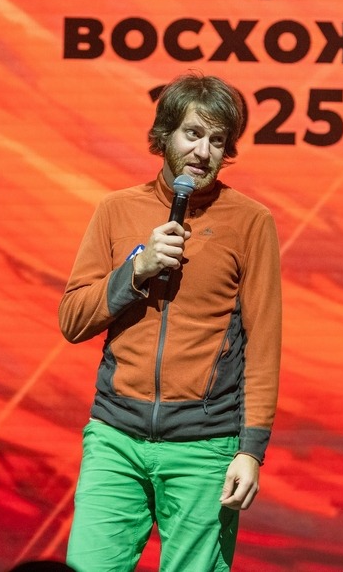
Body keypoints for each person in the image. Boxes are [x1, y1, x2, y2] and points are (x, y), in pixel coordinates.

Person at [58, 71, 282, 571]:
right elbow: (72, 320)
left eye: (217, 140)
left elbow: (263, 347)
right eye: (192, 134)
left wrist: (250, 451)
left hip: (205, 448)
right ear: (164, 136)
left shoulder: (250, 222)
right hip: (115, 438)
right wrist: (136, 269)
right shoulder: (116, 210)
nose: (203, 152)